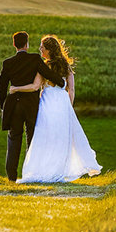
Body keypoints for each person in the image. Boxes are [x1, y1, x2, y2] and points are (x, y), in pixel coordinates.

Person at [12, 34, 101, 183]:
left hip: (47, 105)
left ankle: (42, 169)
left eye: (42, 47)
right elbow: (71, 90)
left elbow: (35, 86)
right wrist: (68, 108)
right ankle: (57, 170)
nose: (40, 49)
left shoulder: (44, 66)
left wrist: (16, 88)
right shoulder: (66, 66)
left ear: (49, 50)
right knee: (60, 139)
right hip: (62, 105)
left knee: (44, 137)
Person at [0, 31, 67, 182]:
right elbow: (47, 73)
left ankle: (11, 178)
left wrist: (4, 106)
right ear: (27, 45)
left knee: (14, 139)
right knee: (32, 140)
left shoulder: (7, 63)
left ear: (14, 45)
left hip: (13, 106)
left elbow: (1, 87)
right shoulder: (34, 59)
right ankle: (32, 173)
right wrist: (62, 82)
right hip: (31, 106)